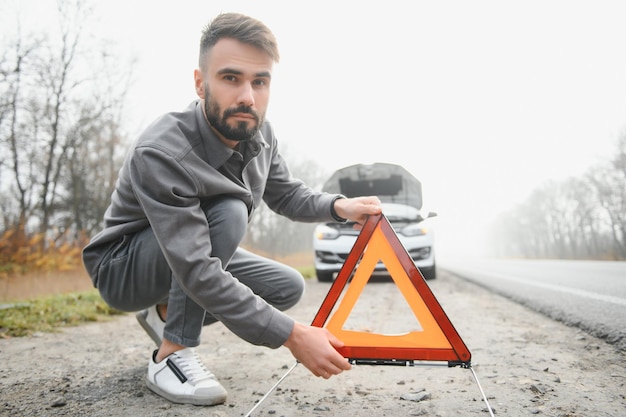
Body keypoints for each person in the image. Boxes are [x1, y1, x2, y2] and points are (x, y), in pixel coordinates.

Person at [82, 12, 382, 407]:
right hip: (123, 268)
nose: (247, 96)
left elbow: (284, 194)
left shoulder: (260, 131)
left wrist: (339, 207)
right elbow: (196, 268)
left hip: (189, 250)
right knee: (229, 210)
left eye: (260, 82)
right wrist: (293, 336)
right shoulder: (161, 151)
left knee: (285, 286)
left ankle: (164, 311)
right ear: (200, 83)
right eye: (231, 78)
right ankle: (170, 354)